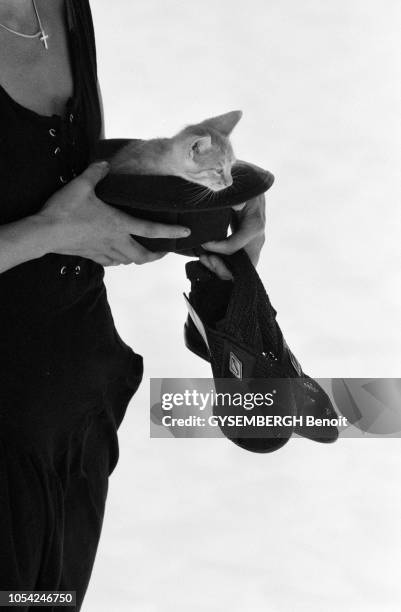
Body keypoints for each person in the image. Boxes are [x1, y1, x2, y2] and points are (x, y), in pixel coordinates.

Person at [0, 0, 266, 609]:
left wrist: (199, 198)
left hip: (75, 419)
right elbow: (53, 216)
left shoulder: (62, 9)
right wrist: (50, 232)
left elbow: (51, 169)